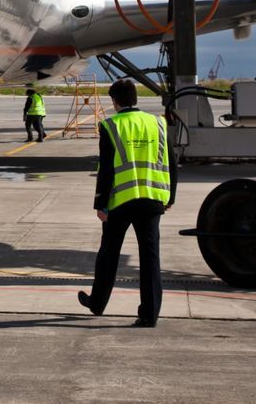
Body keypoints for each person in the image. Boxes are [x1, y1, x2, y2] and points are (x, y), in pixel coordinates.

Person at [78, 78, 176, 327]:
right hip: (153, 199)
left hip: (121, 200)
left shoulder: (111, 125)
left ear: (115, 101)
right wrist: (170, 196)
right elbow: (171, 163)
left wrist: (100, 204)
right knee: (150, 257)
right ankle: (150, 313)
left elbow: (107, 169)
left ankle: (97, 303)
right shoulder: (158, 122)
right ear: (135, 98)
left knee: (109, 254)